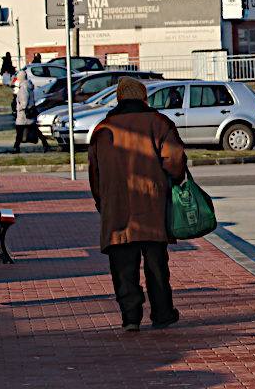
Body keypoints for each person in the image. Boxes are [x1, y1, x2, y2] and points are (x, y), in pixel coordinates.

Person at [88, 77, 187, 333]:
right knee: (156, 264)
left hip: (117, 207)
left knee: (122, 266)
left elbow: (94, 173)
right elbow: (175, 160)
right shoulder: (160, 123)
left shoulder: (103, 128)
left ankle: (130, 316)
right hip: (153, 204)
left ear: (119, 98)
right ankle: (162, 313)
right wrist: (172, 181)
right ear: (144, 98)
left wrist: (103, 202)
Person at [12, 69, 51, 154]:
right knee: (34, 129)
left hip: (23, 114)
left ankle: (16, 147)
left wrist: (20, 108)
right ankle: (45, 144)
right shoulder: (28, 86)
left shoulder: (23, 88)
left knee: (19, 130)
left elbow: (24, 101)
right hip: (29, 112)